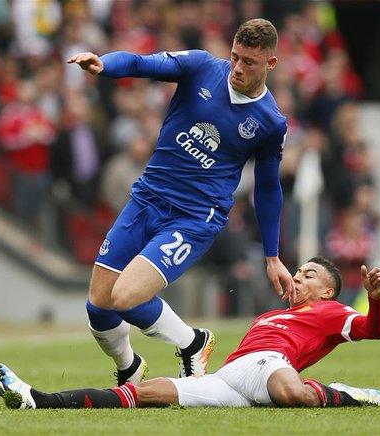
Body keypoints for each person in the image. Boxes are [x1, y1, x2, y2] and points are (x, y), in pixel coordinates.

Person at [64, 18, 295, 385]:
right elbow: (143, 63)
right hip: (147, 198)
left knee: (125, 297)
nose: (237, 67)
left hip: (193, 218)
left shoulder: (269, 122)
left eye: (249, 62)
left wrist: (271, 256)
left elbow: (267, 187)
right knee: (99, 305)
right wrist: (105, 64)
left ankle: (192, 343)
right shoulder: (202, 66)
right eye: (235, 56)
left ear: (271, 63)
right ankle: (129, 367)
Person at [0, 257, 380, 409]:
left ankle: (347, 394)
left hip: (272, 367)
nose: (298, 277)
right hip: (230, 377)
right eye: (299, 271)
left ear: (326, 290)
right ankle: (39, 400)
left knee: (292, 394)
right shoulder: (270, 315)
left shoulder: (331, 310)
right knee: (145, 394)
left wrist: (374, 300)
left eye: (309, 275)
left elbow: (371, 331)